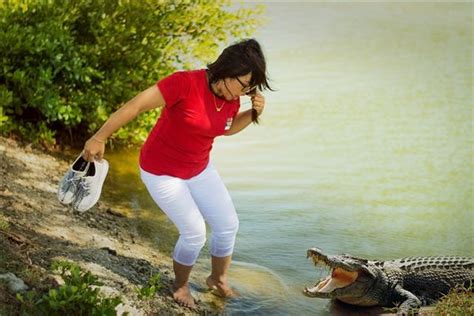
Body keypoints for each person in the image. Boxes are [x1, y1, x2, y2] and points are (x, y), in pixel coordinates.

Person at [81, 38, 271, 308]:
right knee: (194, 232)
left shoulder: (231, 98)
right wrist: (99, 137)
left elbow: (226, 128)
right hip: (161, 171)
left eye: (251, 87)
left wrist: (251, 113)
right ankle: (180, 286)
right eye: (245, 84)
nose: (246, 92)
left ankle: (217, 280)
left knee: (228, 225)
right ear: (227, 71)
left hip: (199, 168)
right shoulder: (183, 83)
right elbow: (134, 106)